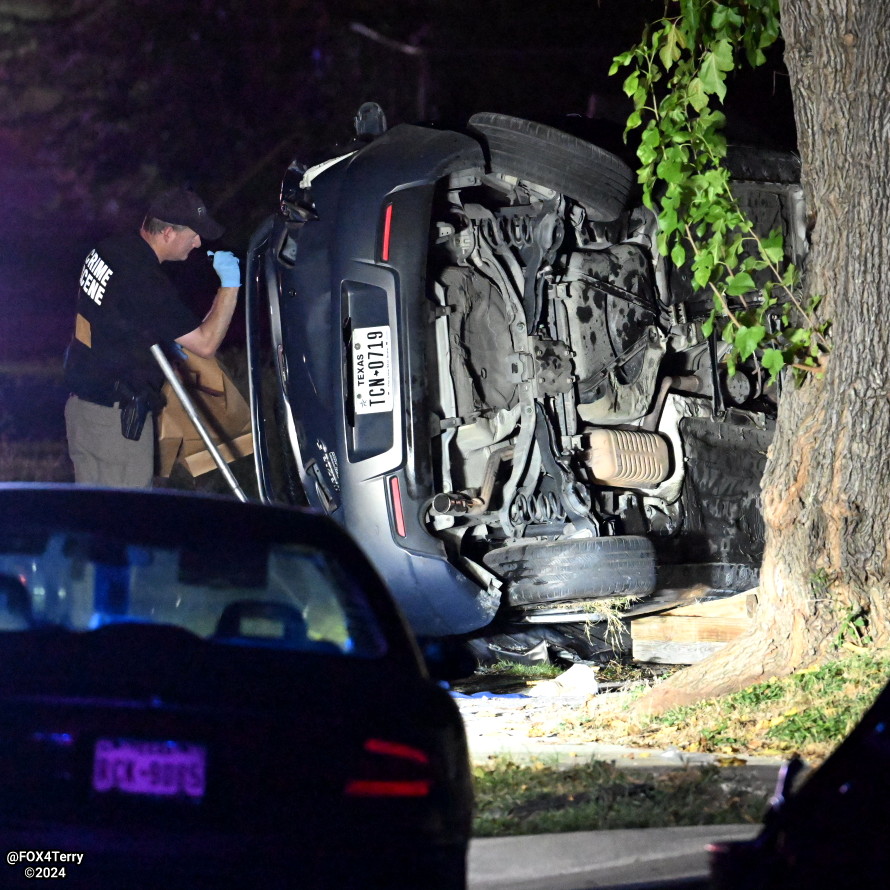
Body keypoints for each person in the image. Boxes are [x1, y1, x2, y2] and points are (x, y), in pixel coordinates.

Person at [63, 187, 241, 488]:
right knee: (128, 523)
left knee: (94, 521)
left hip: (83, 410)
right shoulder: (144, 281)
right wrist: (230, 285)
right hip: (116, 425)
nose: (198, 243)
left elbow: (115, 317)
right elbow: (206, 344)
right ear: (169, 233)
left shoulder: (109, 250)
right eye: (194, 235)